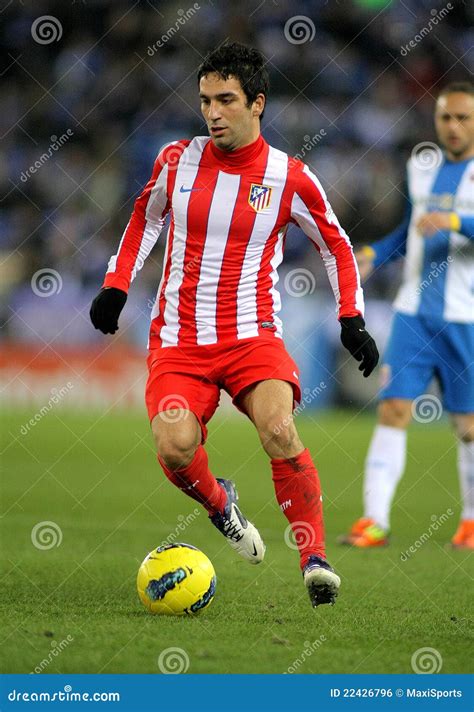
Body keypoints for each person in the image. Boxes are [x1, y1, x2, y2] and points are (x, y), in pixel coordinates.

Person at [90, 42, 378, 607]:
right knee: (174, 446)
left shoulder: (290, 176)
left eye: (226, 100)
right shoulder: (177, 160)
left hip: (252, 336)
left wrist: (351, 317)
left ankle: (314, 558)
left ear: (257, 103)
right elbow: (142, 220)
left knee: (278, 429)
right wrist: (115, 283)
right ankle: (222, 505)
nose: (213, 113)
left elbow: (338, 248)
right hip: (179, 339)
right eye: (205, 101)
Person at [339, 82, 474, 550]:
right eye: (446, 118)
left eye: (463, 118)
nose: (453, 127)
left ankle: (471, 522)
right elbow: (408, 230)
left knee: (468, 426)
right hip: (413, 313)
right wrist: (377, 251)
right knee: (394, 408)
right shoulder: (421, 168)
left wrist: (456, 221)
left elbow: (449, 225)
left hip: (466, 317)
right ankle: (374, 521)